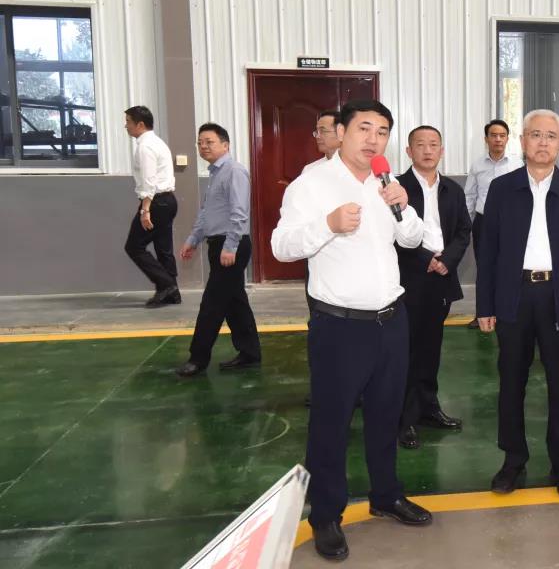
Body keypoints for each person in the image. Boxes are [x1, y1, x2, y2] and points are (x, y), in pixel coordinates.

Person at [271, 99, 433, 562]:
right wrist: (328, 224)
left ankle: (386, 495)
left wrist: (403, 206)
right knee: (331, 423)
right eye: (364, 128)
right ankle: (325, 515)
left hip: (391, 321)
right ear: (341, 132)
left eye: (382, 131)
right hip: (340, 327)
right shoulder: (311, 184)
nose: (373, 139)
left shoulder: (387, 181)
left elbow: (413, 239)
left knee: (386, 414)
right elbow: (281, 246)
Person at [476, 109, 559, 498]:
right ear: (522, 140)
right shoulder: (501, 188)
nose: (543, 142)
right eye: (535, 135)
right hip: (514, 296)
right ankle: (513, 461)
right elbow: (488, 252)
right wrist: (485, 305)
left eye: (550, 136)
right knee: (511, 382)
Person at [395, 126, 472, 450]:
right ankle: (404, 419)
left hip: (442, 276)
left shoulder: (453, 189)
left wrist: (447, 260)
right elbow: (391, 233)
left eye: (433, 145)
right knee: (407, 351)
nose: (427, 150)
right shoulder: (395, 188)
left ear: (442, 151)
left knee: (431, 347)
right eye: (420, 145)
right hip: (409, 278)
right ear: (409, 151)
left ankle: (428, 408)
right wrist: (426, 258)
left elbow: (464, 230)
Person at [175, 123, 260, 377]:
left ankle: (198, 358)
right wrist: (193, 239)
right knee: (234, 302)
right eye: (200, 142)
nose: (203, 147)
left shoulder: (234, 171)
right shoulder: (215, 174)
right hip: (218, 244)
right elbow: (206, 213)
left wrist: (230, 246)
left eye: (209, 142)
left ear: (225, 145)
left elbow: (239, 213)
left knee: (212, 303)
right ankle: (250, 352)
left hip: (230, 245)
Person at [464, 120, 523, 328]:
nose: (498, 139)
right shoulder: (477, 165)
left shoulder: (517, 164)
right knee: (485, 267)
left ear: (507, 138)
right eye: (493, 135)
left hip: (512, 224)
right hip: (484, 222)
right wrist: (467, 225)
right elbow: (470, 196)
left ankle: (509, 310)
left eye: (502, 135)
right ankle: (483, 312)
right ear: (486, 139)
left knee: (511, 267)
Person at [122, 106, 180, 307]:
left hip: (155, 202)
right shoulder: (158, 142)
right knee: (164, 248)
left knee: (134, 247)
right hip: (167, 201)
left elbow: (149, 181)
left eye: (128, 122)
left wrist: (145, 209)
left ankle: (166, 285)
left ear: (140, 124)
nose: (126, 126)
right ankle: (173, 293)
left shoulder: (145, 146)